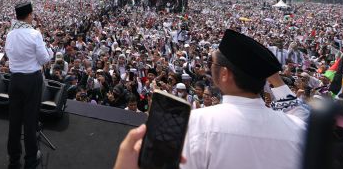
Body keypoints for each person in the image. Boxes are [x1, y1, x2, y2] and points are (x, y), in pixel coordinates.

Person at [113, 29, 309, 169]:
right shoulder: (299, 130)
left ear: (224, 74)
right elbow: (297, 112)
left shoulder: (195, 125)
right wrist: (267, 71)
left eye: (211, 62)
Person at [5, 1, 51, 169]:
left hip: (15, 79)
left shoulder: (10, 34)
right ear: (29, 15)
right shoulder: (34, 34)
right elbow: (45, 59)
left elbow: (8, 54)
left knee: (14, 121)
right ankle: (31, 158)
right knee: (30, 121)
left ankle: (14, 157)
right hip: (31, 80)